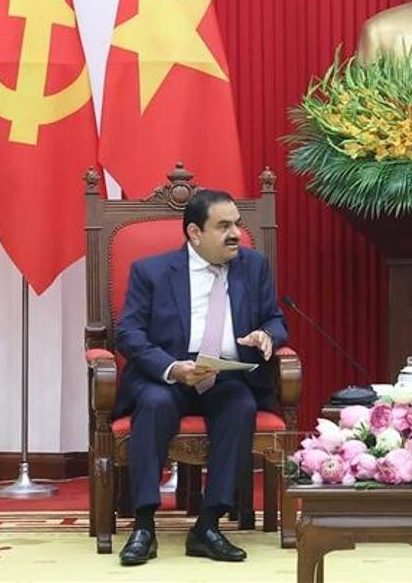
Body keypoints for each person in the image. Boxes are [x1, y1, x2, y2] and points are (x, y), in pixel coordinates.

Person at [114, 189, 287, 566]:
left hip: (225, 372)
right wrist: (172, 368)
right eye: (223, 226)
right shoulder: (152, 271)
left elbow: (274, 318)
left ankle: (207, 526)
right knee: (155, 404)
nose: (236, 234)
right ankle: (144, 526)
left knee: (240, 405)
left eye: (237, 224)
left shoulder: (253, 266)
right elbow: (128, 332)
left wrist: (266, 335)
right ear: (195, 233)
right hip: (169, 373)